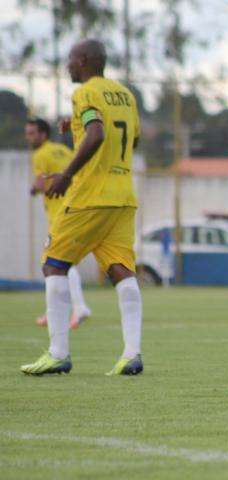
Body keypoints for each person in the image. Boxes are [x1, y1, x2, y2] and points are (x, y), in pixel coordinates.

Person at [21, 39, 143, 376]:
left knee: (53, 264)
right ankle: (131, 354)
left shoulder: (86, 92)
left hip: (90, 196)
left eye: (71, 59)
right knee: (121, 271)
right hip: (123, 198)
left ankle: (58, 353)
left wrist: (66, 174)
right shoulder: (126, 95)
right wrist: (75, 126)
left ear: (85, 60)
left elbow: (97, 133)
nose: (68, 66)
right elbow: (132, 140)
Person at [25, 118, 92, 329]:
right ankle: (53, 311)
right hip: (76, 207)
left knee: (56, 262)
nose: (29, 137)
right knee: (58, 262)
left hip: (59, 213)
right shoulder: (63, 151)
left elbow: (41, 183)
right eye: (28, 133)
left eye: (33, 133)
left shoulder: (40, 154)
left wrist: (34, 190)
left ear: (44, 134)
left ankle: (79, 307)